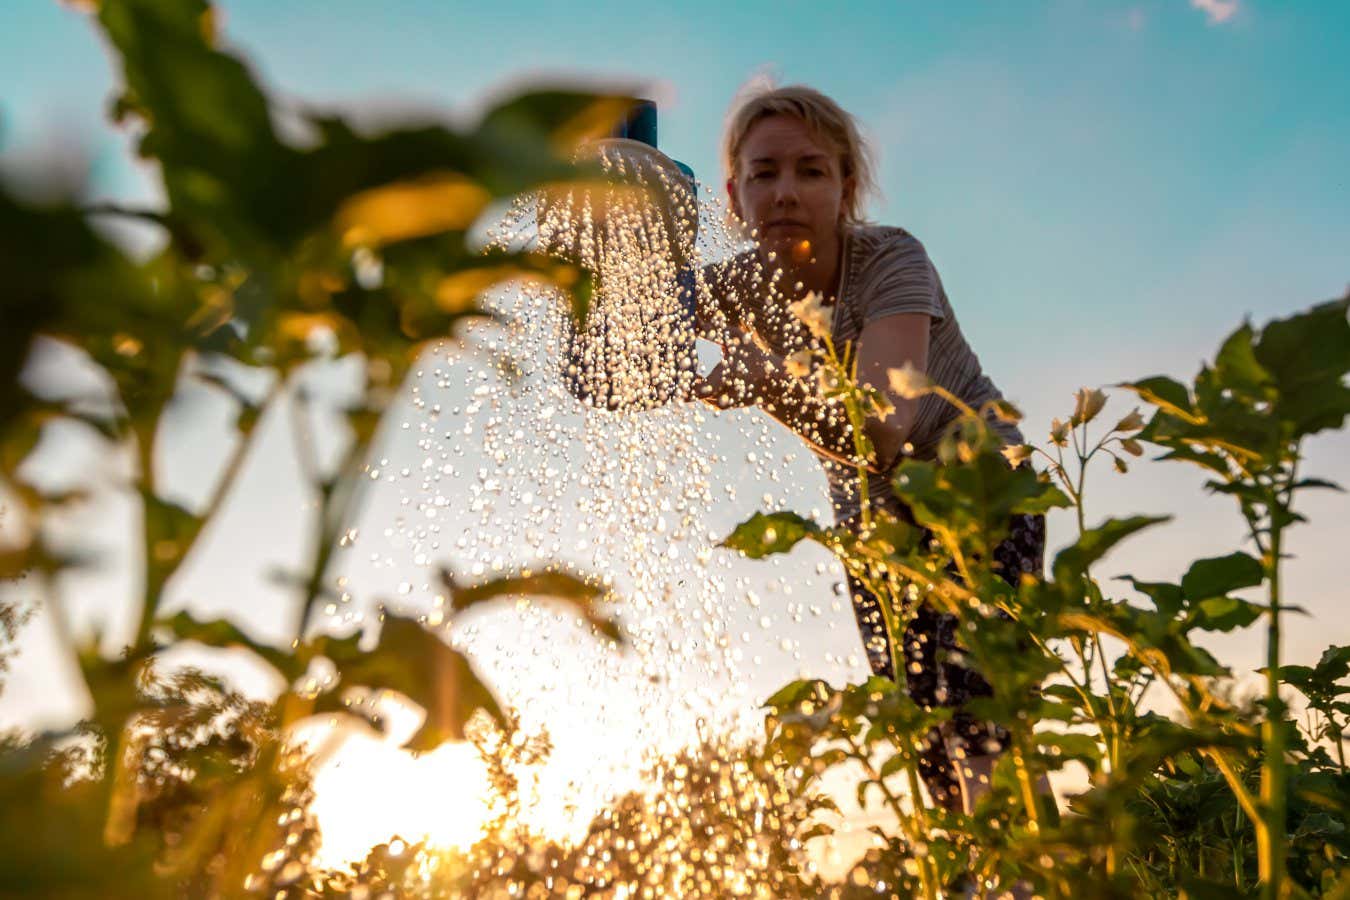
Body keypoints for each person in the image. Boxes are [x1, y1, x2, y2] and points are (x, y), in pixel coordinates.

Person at [693, 84, 1047, 815]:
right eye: (764, 174)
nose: (785, 192)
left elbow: (883, 431)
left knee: (980, 716)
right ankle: (1023, 875)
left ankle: (1026, 879)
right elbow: (632, 321)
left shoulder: (892, 260)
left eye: (811, 171)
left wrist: (767, 385)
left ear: (846, 186)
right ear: (734, 193)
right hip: (880, 537)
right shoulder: (740, 288)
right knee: (930, 738)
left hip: (981, 492)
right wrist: (610, 224)